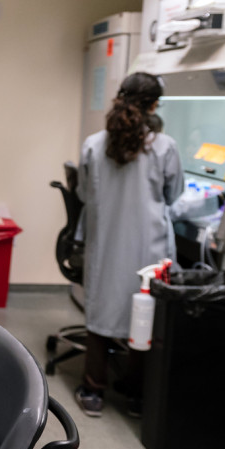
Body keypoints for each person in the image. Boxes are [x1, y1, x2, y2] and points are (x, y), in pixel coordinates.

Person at [74, 72, 184, 418]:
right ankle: (137, 395)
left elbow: (82, 194)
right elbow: (174, 196)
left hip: (106, 243)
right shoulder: (165, 147)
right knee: (145, 313)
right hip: (147, 249)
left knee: (101, 306)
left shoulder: (94, 144)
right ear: (153, 105)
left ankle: (93, 390)